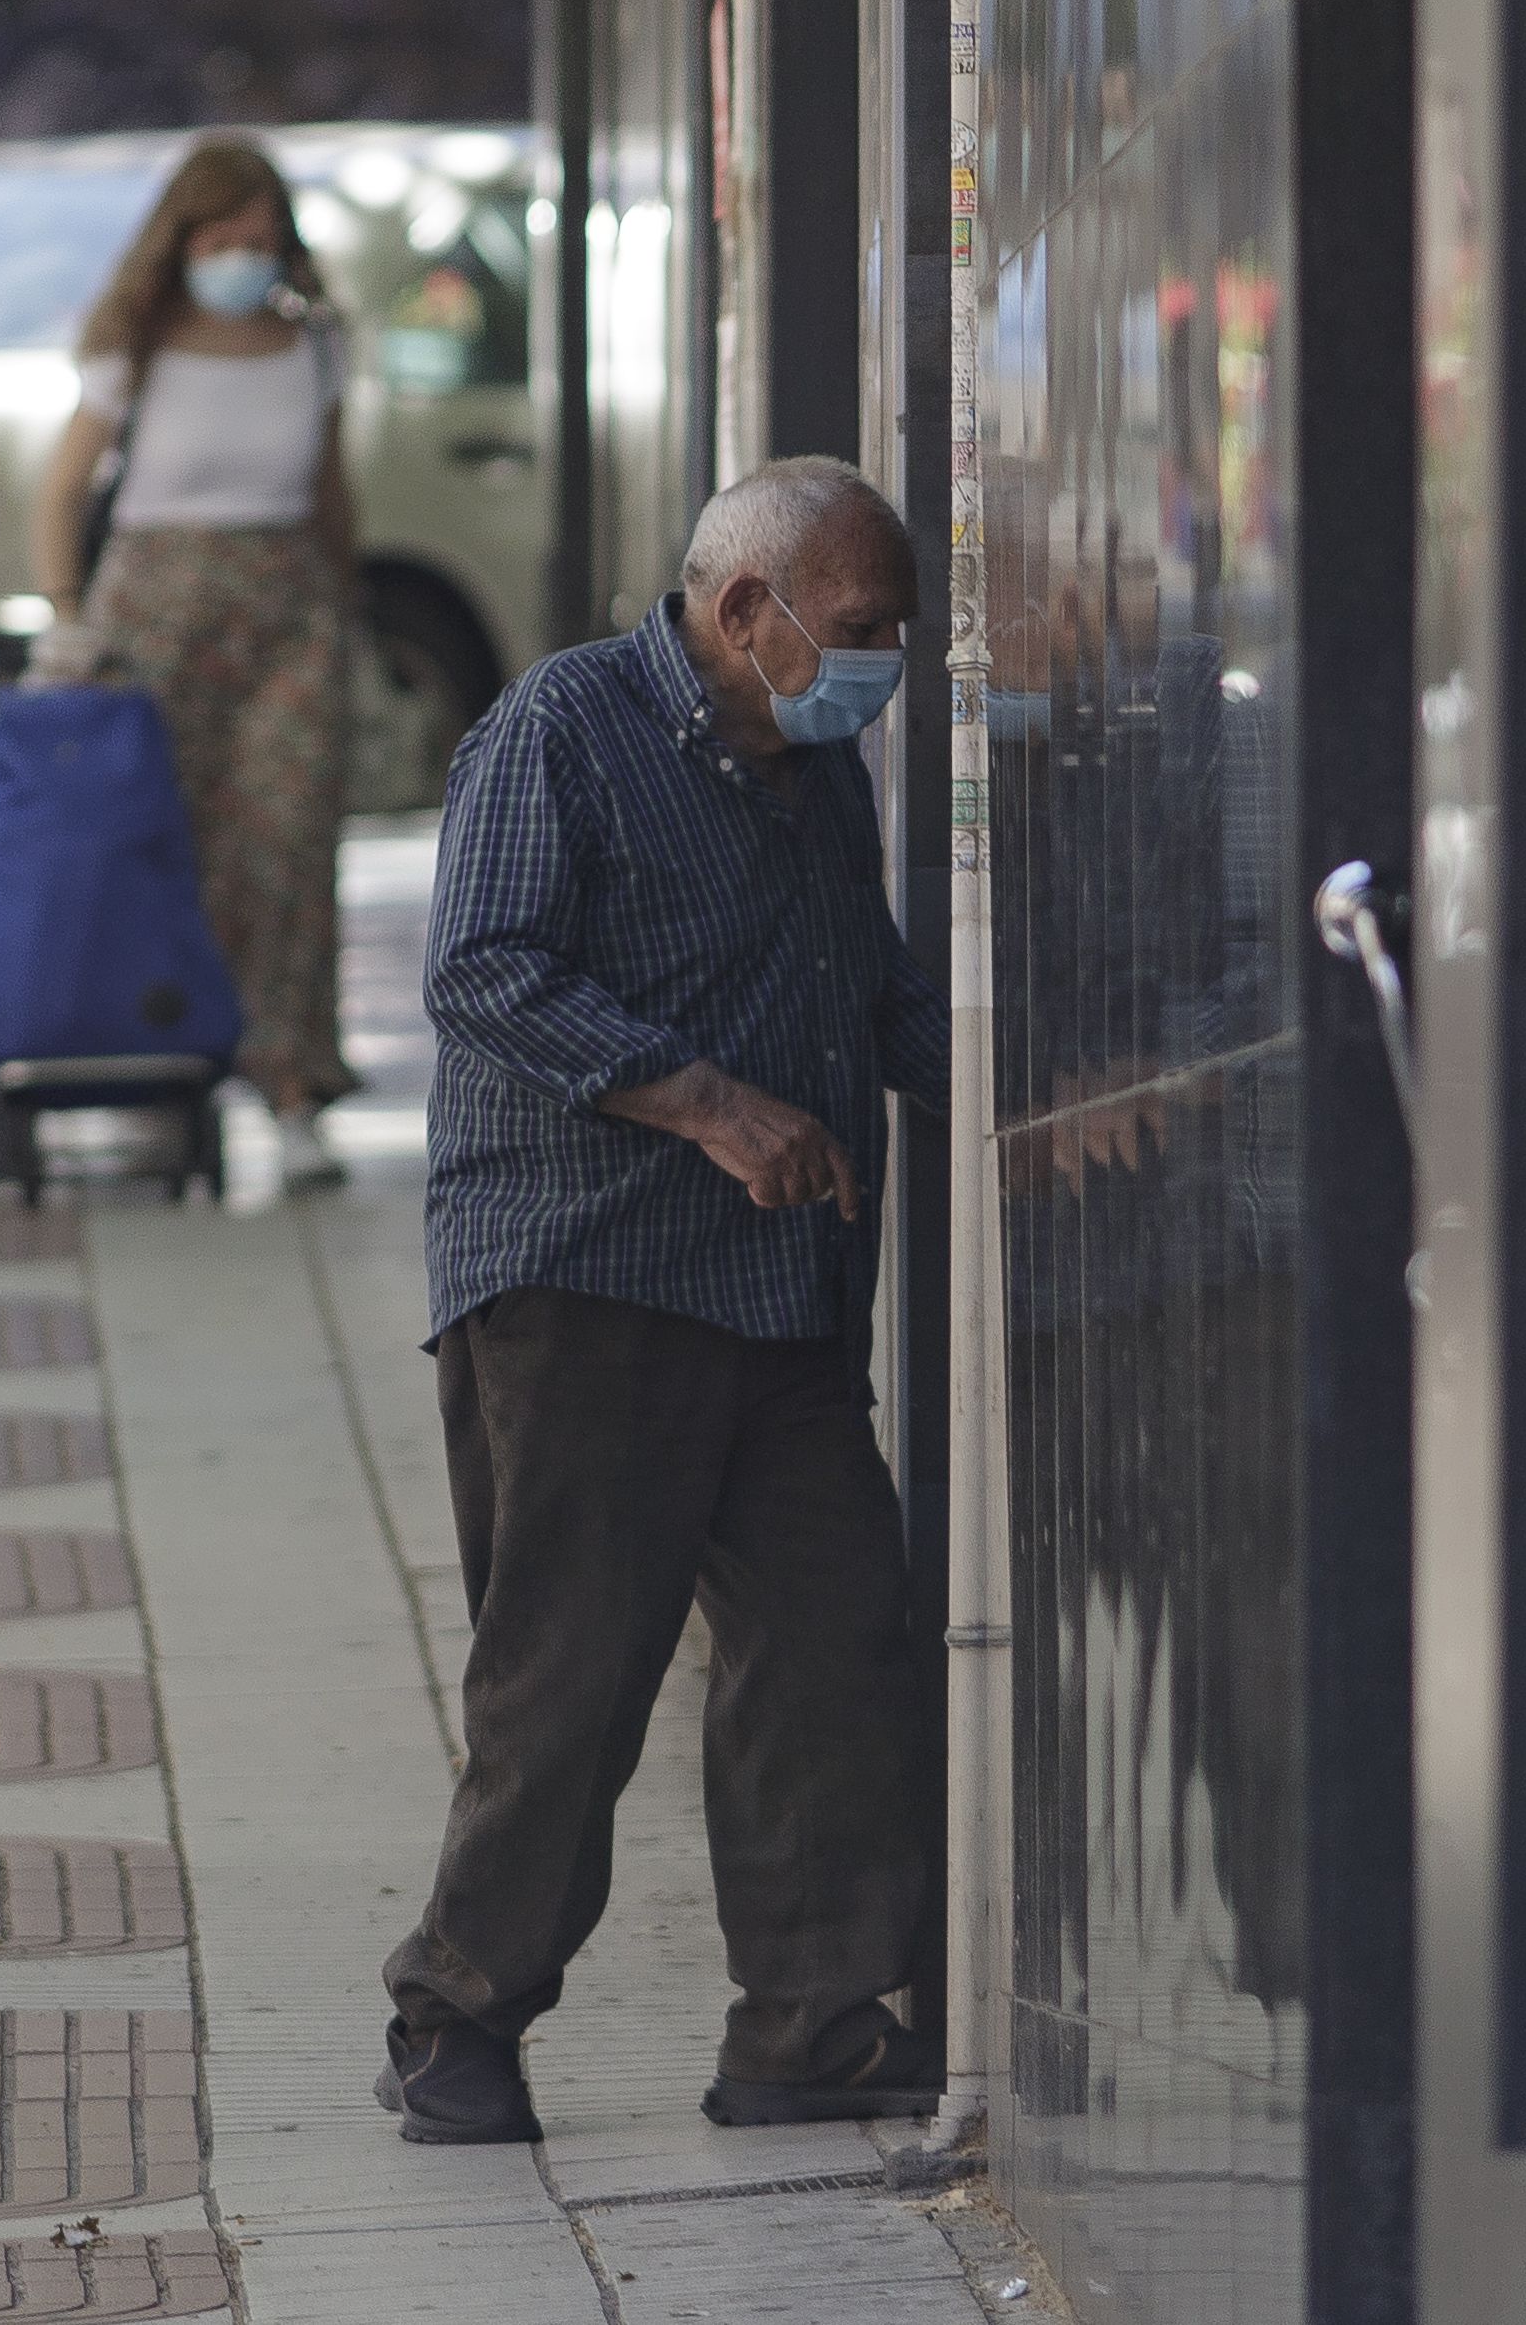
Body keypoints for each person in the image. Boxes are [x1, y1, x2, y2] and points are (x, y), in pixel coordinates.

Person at [377, 456, 949, 2144]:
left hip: (780, 1294)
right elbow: (480, 968)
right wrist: (703, 1101)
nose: (883, 659)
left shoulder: (820, 769)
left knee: (832, 1642)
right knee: (569, 1673)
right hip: (585, 1278)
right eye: (859, 626)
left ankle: (811, 2019)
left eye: (897, 628)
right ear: (744, 608)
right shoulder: (562, 729)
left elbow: (882, 989)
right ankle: (455, 2017)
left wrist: (1038, 1094)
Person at [32, 134, 361, 1193]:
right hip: (156, 612)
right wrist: (68, 618)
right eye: (222, 237)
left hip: (286, 607)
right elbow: (60, 489)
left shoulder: (316, 347)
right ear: (180, 239)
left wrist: (344, 604)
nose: (242, 256)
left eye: (260, 238)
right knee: (159, 844)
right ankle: (155, 1078)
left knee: (289, 841)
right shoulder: (136, 344)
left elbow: (330, 492)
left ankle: (294, 1084)